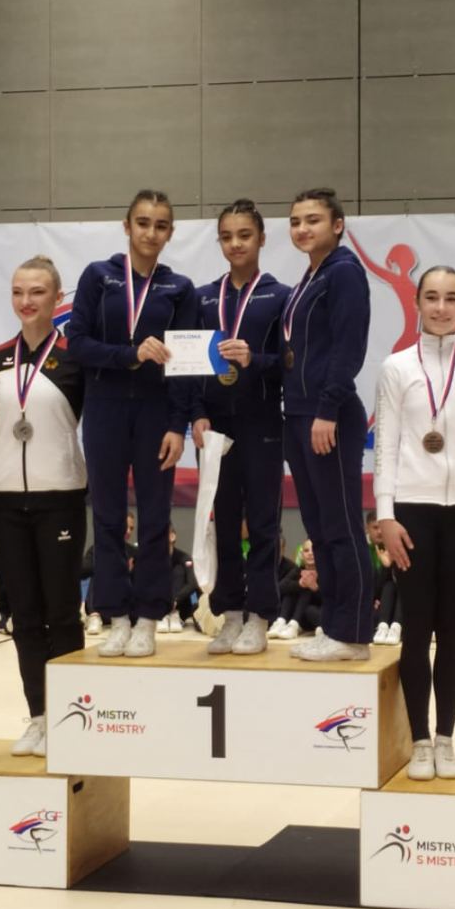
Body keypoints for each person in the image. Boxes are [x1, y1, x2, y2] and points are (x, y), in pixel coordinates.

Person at [374, 266, 455, 781]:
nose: (441, 308)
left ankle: (446, 738)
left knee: (453, 631)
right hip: (412, 510)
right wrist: (385, 514)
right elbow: (385, 444)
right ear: (417, 303)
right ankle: (420, 741)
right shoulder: (396, 366)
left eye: (451, 298)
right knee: (416, 628)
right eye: (431, 298)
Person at [67, 190, 197, 659]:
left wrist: (177, 425)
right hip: (104, 409)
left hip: (155, 414)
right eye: (143, 223)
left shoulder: (178, 287)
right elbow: (76, 342)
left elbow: (185, 364)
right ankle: (115, 616)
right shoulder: (98, 276)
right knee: (106, 515)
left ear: (170, 233)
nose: (150, 233)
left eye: (161, 225)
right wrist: (130, 355)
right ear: (127, 226)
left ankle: (148, 618)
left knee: (156, 518)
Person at [0, 255, 87, 757]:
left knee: (61, 611)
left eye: (38, 292)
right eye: (18, 292)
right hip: (6, 500)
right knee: (24, 615)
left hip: (60, 495)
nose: (27, 301)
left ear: (58, 298)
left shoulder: (75, 358)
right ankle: (39, 716)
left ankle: (71, 717)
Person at [191, 199, 289, 655]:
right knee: (223, 518)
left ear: (262, 239)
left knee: (264, 521)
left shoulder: (280, 295)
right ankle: (229, 613)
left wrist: (256, 359)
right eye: (227, 236)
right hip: (216, 423)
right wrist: (196, 413)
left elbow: (291, 363)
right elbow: (190, 366)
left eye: (244, 235)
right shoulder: (203, 297)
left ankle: (261, 617)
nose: (235, 244)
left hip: (262, 420)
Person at [281, 187, 374, 661]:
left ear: (337, 226)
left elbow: (347, 347)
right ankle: (334, 625)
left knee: (341, 525)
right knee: (318, 526)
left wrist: (327, 409)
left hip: (328, 416)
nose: (303, 229)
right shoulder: (311, 275)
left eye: (313, 220)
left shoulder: (344, 272)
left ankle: (353, 633)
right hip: (300, 413)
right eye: (296, 221)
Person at [271, 540, 322, 639]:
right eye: (306, 551)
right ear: (302, 555)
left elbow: (332, 599)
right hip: (300, 615)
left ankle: (294, 624)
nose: (310, 553)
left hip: (317, 613)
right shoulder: (298, 570)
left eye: (314, 550)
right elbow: (280, 587)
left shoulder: (325, 572)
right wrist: (300, 584)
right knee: (293, 588)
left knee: (307, 593)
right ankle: (282, 622)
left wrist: (315, 588)